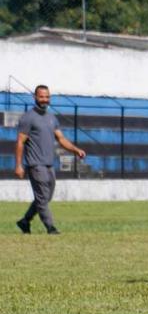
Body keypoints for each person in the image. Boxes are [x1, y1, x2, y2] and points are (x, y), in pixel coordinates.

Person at [14, 85, 86, 235]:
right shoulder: (28, 118)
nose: (44, 99)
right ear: (35, 97)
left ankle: (25, 221)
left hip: (49, 165)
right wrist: (19, 165)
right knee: (42, 197)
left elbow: (61, 139)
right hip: (35, 165)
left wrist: (76, 150)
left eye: (47, 97)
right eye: (41, 96)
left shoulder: (52, 118)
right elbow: (20, 142)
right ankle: (50, 227)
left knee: (45, 197)